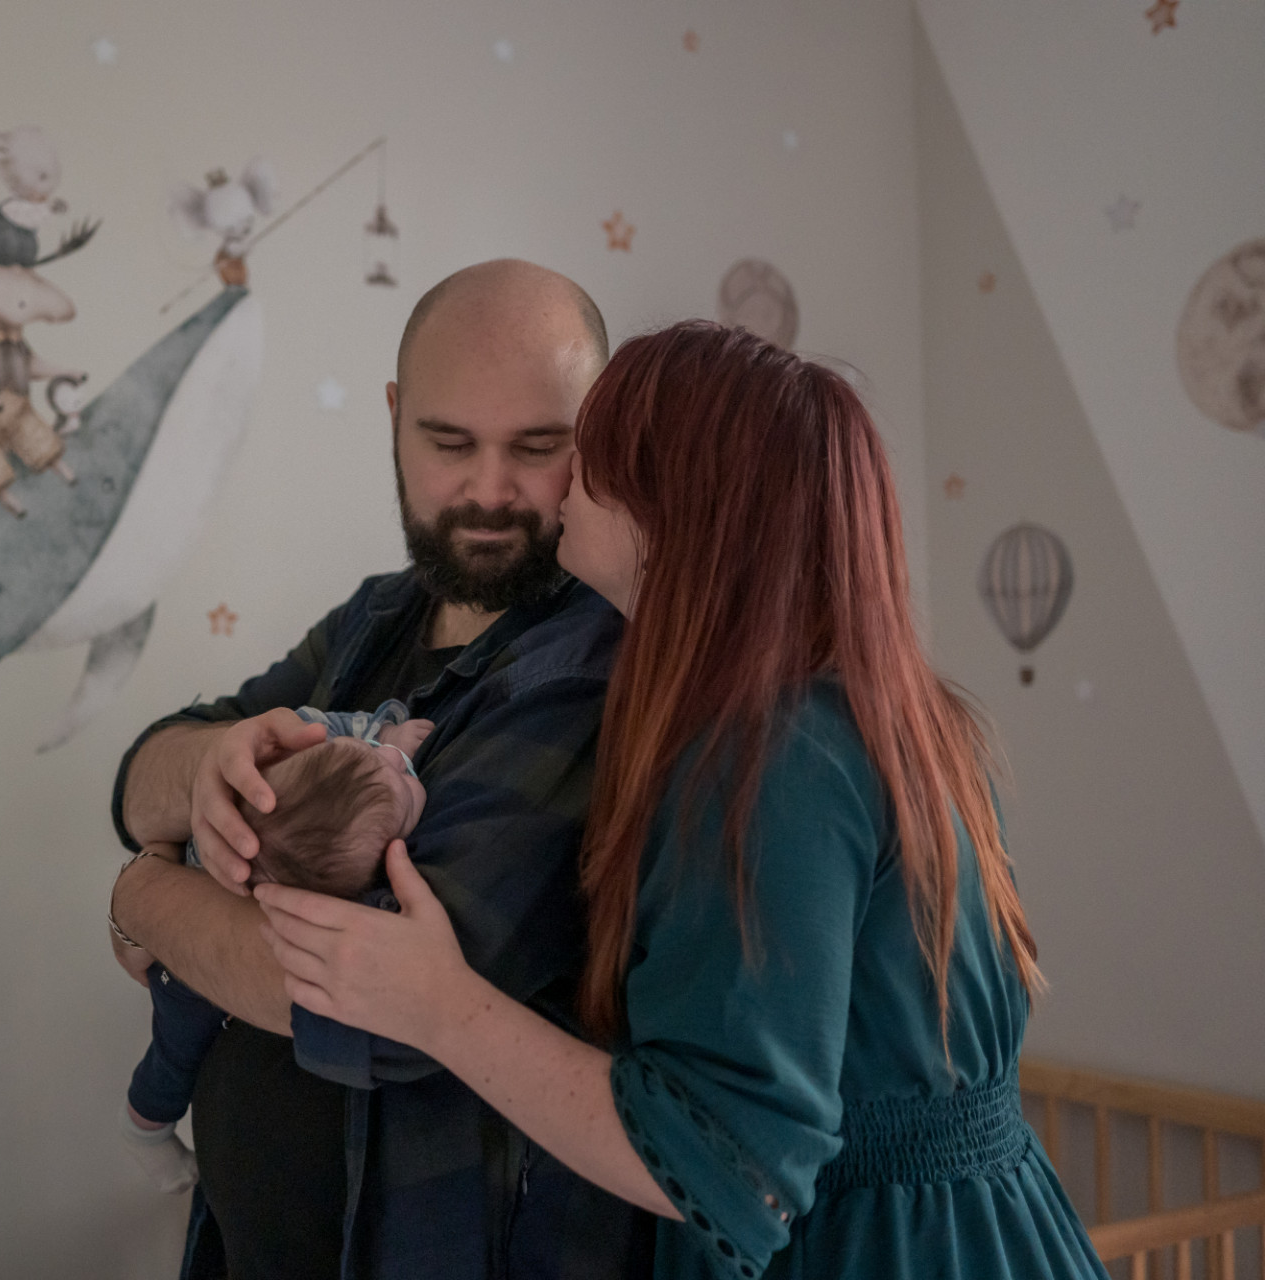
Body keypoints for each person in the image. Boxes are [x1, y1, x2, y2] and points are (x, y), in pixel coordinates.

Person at [255, 320, 1111, 1280]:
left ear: (674, 504)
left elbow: (733, 1168)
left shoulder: (771, 754)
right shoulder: (888, 713)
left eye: (592, 456)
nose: (562, 483)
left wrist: (442, 1007)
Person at [107, 260, 654, 1279]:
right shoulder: (376, 617)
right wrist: (211, 763)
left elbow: (367, 997)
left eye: (538, 446)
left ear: (600, 437)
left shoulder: (597, 669)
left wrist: (146, 893)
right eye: (449, 442)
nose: (489, 490)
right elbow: (142, 776)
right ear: (397, 418)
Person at [120, 702, 432, 1195]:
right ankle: (144, 1126)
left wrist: (386, 734)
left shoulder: (331, 758)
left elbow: (347, 741)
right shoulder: (317, 758)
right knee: (175, 1054)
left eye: (391, 768)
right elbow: (135, 784)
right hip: (180, 976)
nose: (397, 761)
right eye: (380, 759)